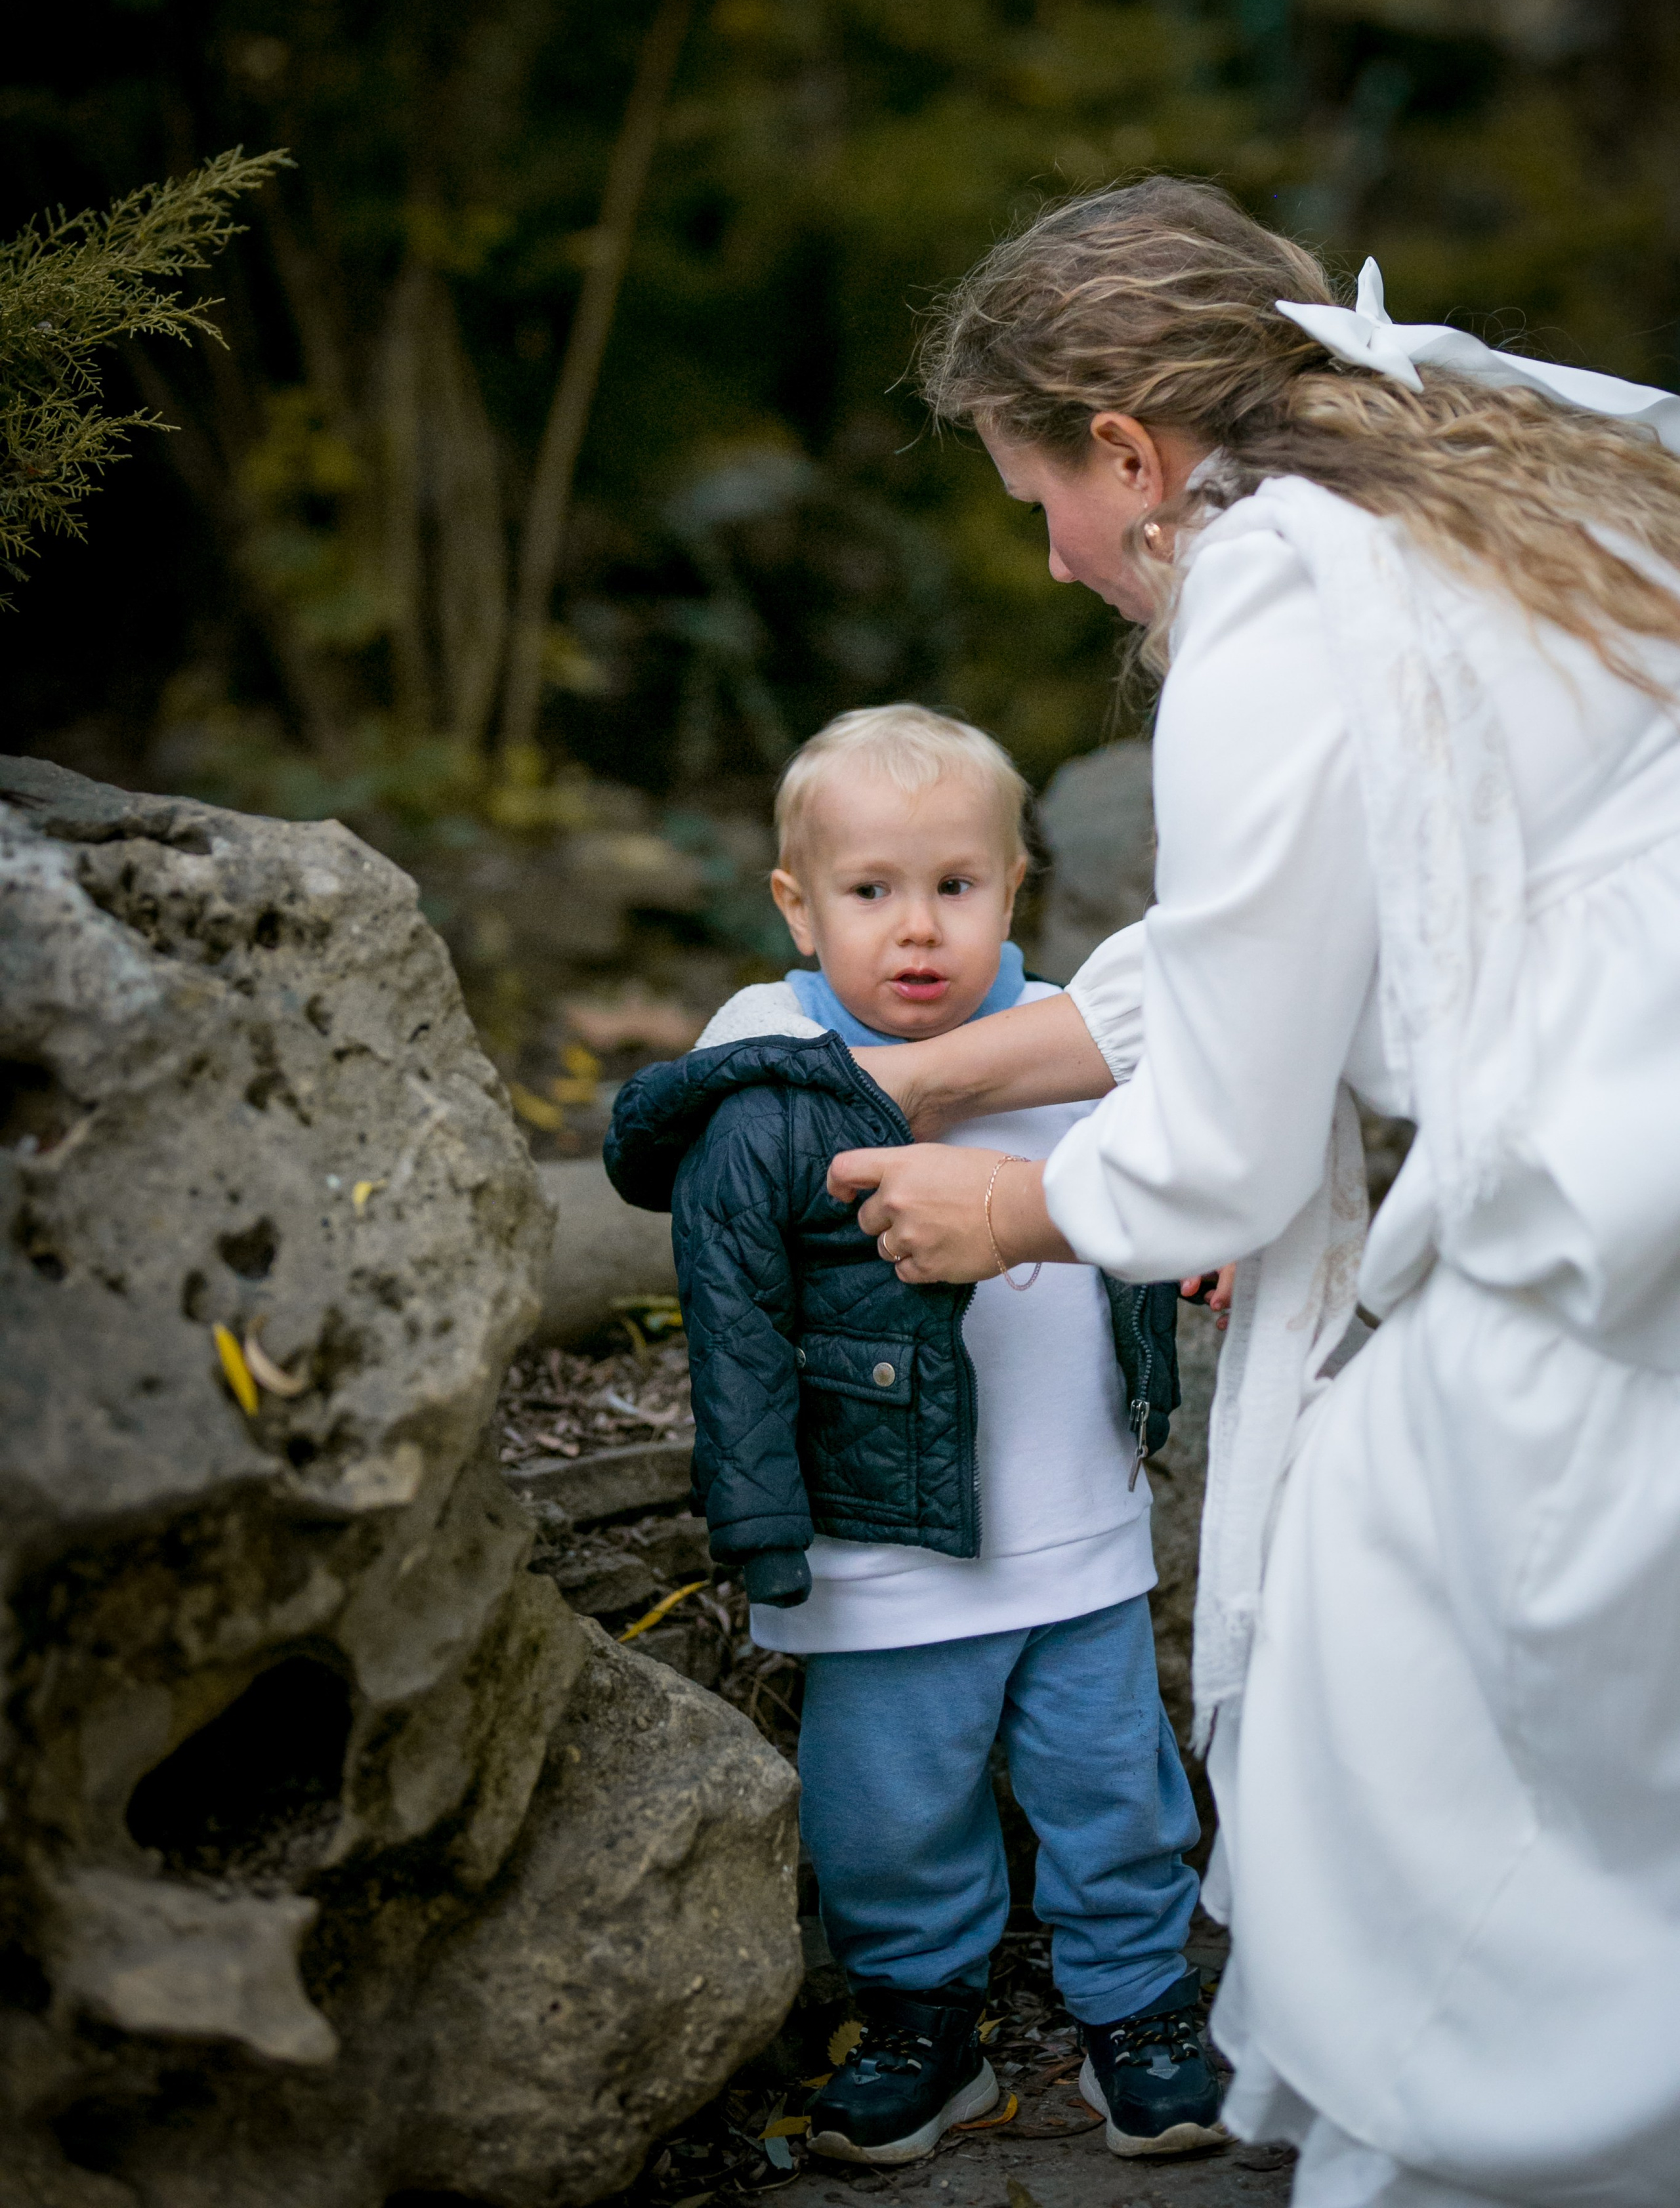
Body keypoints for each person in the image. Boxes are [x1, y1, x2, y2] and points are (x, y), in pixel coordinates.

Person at [824, 179, 1680, 2208]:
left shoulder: (1278, 592)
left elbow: (1224, 1126)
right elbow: (1260, 953)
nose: (1048, 559)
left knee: (1372, 1675)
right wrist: (942, 1070)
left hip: (1611, 1232)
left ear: (1128, 453)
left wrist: (1009, 1217)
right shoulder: (1487, 484)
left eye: (1035, 492)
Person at [604, 703, 1227, 2165]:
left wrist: (1205, 1234)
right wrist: (753, 1521)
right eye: (869, 892)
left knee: (1109, 1782)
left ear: (1014, 885)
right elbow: (724, 1269)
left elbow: (1184, 1166)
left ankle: (1134, 2005)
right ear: (795, 904)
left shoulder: (1071, 1039)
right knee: (886, 1805)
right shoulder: (758, 1055)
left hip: (1072, 1514)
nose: (916, 929)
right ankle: (916, 2017)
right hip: (871, 1536)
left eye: (956, 885)